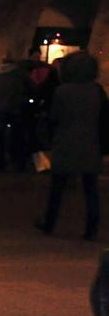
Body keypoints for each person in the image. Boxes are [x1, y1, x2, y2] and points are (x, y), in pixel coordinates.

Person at [34, 51, 103, 241]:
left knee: (57, 187)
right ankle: (91, 228)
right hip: (90, 142)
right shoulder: (96, 91)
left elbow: (54, 116)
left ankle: (50, 222)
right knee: (90, 189)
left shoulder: (62, 91)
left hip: (66, 141)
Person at [0, 59, 36, 171]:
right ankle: (17, 161)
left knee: (0, 135)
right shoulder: (20, 73)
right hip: (15, 107)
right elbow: (32, 87)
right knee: (17, 135)